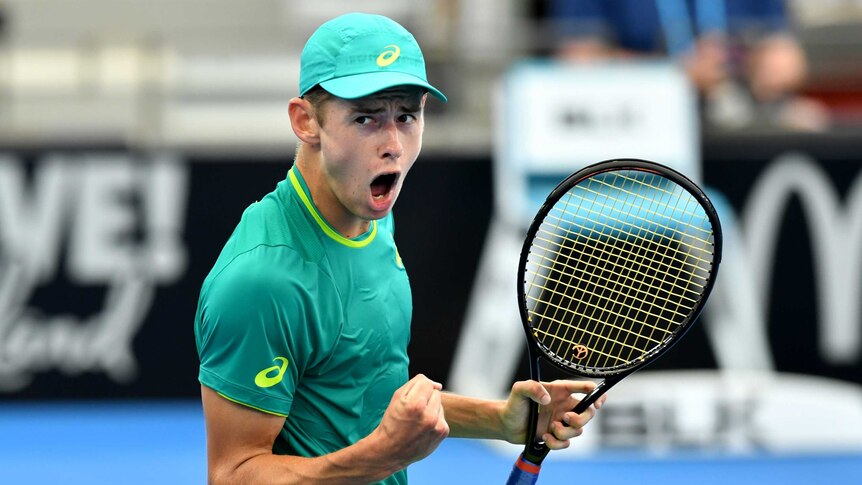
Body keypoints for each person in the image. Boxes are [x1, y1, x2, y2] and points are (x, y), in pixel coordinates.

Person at [194, 12, 605, 484]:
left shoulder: (371, 213)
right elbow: (232, 474)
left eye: (407, 116)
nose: (393, 144)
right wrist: (381, 456)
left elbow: (363, 392)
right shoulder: (260, 282)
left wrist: (499, 420)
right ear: (306, 121)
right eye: (365, 118)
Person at [547, 0, 829, 131]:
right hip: (640, 122)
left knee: (809, 121)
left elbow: (786, 56)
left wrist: (770, 64)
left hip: (739, 105)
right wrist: (673, 75)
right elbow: (578, 61)